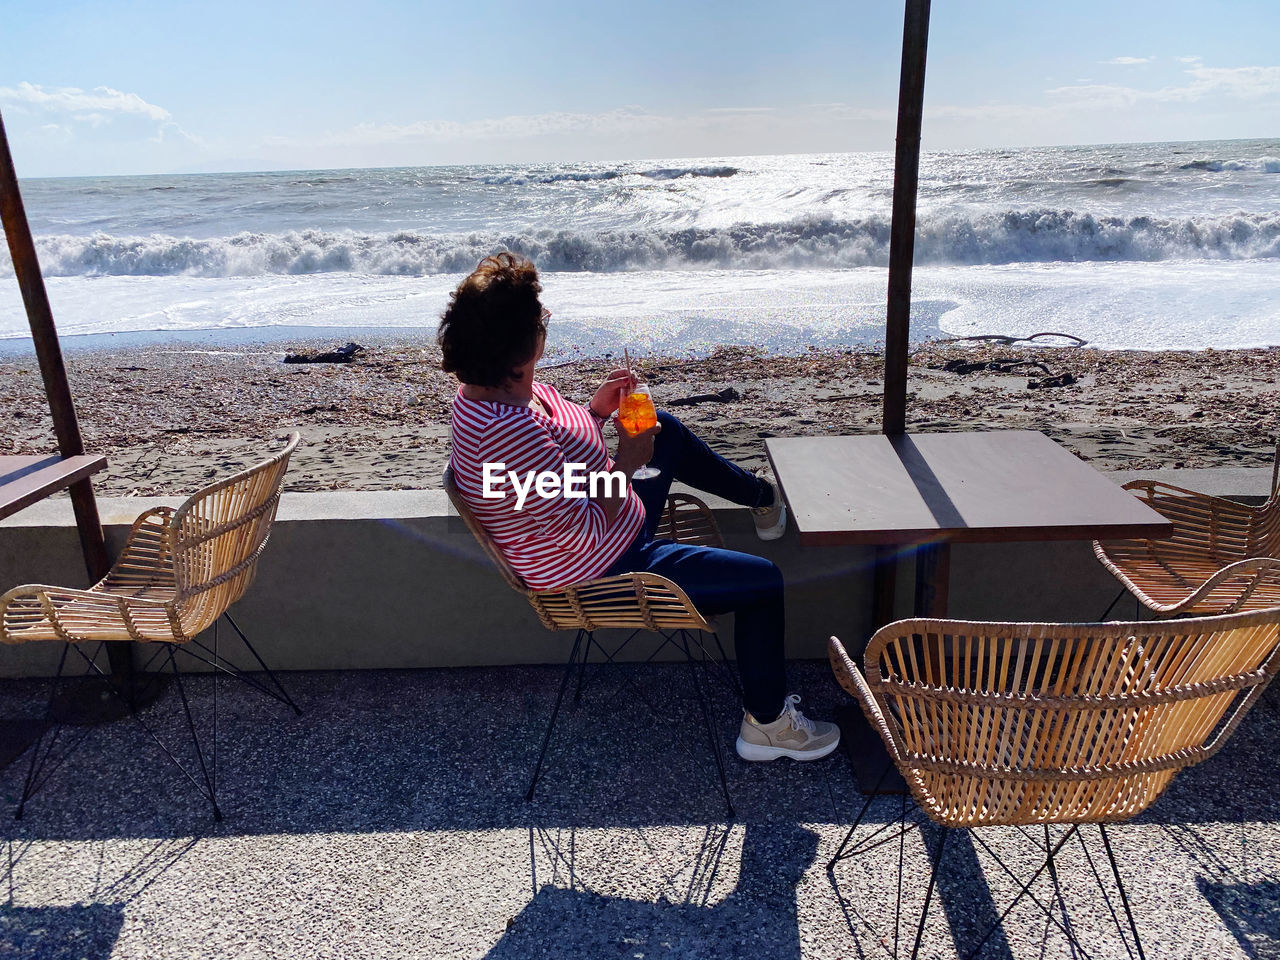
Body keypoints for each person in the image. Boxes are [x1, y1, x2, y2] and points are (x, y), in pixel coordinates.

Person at [442, 252, 839, 762]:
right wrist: (626, 463)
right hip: (599, 566)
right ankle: (768, 727)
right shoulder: (506, 435)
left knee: (664, 430)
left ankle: (759, 497)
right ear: (522, 349)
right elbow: (579, 526)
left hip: (605, 529)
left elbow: (554, 471)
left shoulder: (494, 392)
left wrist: (595, 412)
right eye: (541, 320)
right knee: (764, 582)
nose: (545, 327)